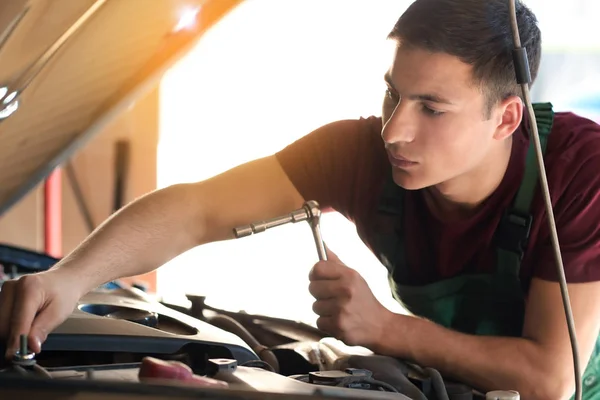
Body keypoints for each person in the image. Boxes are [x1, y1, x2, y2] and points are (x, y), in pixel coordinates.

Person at [0, 0, 599, 398]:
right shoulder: (360, 152)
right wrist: (71, 279)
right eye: (393, 95)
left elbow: (551, 376)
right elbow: (200, 208)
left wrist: (386, 330)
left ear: (506, 118)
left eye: (431, 108)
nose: (393, 130)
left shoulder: (579, 172)